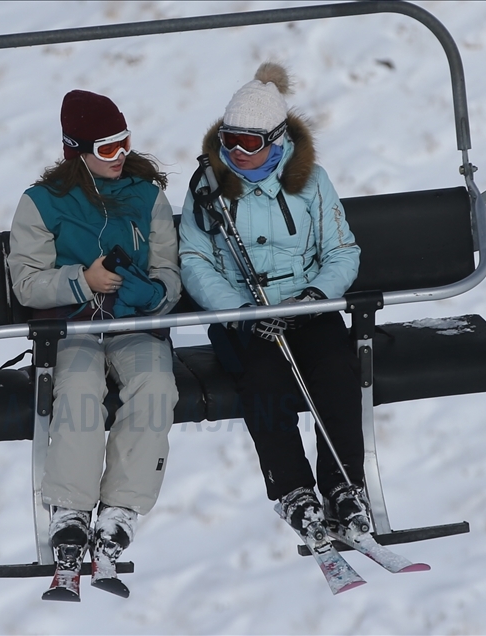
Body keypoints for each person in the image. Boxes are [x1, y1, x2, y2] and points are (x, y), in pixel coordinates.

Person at [178, 63, 368, 542]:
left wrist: (315, 296)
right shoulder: (209, 189)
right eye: (229, 138)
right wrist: (238, 310)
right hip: (245, 316)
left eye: (250, 142)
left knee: (336, 367)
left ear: (277, 138)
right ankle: (293, 491)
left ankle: (344, 486)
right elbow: (195, 258)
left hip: (305, 308)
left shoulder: (312, 181)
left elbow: (342, 250)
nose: (236, 152)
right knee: (262, 378)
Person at [8, 89, 180, 598]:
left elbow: (169, 272)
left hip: (134, 326)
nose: (120, 154)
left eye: (123, 142)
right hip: (75, 326)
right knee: (79, 389)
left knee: (156, 386)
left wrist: (149, 293)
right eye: (106, 149)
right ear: (76, 150)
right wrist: (82, 281)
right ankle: (71, 510)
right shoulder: (41, 204)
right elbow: (27, 282)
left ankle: (122, 509)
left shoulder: (148, 196)